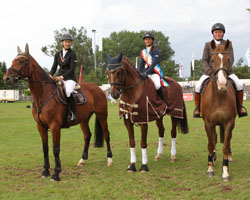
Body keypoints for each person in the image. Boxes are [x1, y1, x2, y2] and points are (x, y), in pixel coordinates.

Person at [194, 23, 247, 118]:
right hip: (210, 72)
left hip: (226, 71)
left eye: (220, 32)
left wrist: (225, 71)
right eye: (216, 32)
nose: (218, 34)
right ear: (213, 33)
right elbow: (204, 59)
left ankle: (240, 108)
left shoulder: (228, 44)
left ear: (223, 33)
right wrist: (209, 71)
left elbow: (231, 59)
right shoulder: (208, 45)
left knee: (239, 84)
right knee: (198, 86)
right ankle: (197, 109)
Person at [49, 33, 78, 122]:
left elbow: (72, 69)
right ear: (62, 43)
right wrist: (50, 75)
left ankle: (73, 113)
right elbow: (54, 66)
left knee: (68, 92)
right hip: (59, 77)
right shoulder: (58, 54)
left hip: (70, 78)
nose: (68, 43)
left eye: (69, 42)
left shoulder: (72, 54)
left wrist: (62, 77)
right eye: (66, 42)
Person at [138, 32, 168, 102]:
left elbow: (153, 64)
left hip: (154, 73)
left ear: (152, 40)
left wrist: (146, 73)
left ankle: (162, 101)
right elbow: (141, 64)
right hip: (144, 74)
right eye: (145, 39)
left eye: (149, 39)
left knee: (157, 85)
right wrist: (138, 72)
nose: (147, 41)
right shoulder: (143, 52)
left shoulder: (155, 50)